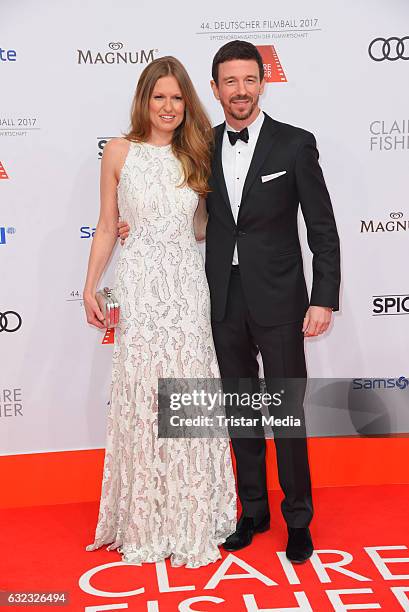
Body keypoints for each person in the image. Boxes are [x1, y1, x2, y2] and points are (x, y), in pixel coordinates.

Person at [119, 40, 341, 564]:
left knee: (285, 414)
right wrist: (133, 225)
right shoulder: (198, 148)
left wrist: (323, 298)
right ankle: (253, 512)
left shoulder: (294, 145)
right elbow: (179, 212)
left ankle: (299, 519)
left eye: (249, 80)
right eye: (229, 82)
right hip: (218, 300)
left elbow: (323, 228)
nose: (240, 91)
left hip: (283, 300)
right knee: (240, 414)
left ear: (263, 83)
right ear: (215, 88)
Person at [83, 56, 236, 568]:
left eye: (177, 98)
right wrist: (91, 286)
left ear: (186, 103)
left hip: (187, 292)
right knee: (145, 397)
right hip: (141, 291)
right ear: (144, 100)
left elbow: (200, 228)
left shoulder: (197, 154)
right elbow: (107, 224)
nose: (168, 107)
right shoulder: (118, 151)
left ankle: (194, 512)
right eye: (159, 97)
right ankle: (146, 517)